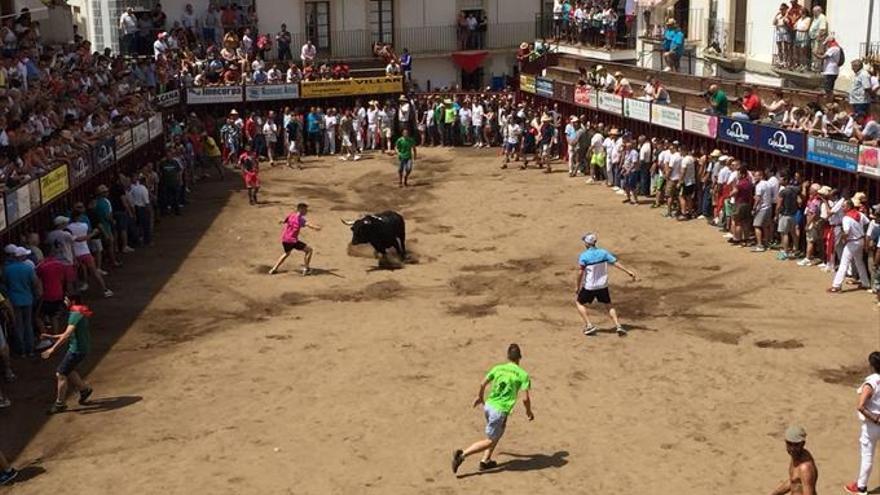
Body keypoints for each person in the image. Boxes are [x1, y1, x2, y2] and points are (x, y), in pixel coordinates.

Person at [451, 343, 533, 474]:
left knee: (498, 432)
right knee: (490, 440)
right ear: (519, 358)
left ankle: (485, 461)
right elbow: (525, 399)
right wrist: (529, 412)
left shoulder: (498, 368)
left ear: (508, 356)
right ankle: (461, 455)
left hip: (489, 406)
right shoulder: (523, 375)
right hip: (499, 411)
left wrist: (479, 397)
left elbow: (483, 383)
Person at [575, 233, 638, 336]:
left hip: (589, 286)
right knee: (608, 305)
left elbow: (580, 272)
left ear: (586, 243)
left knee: (579, 303)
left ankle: (589, 325)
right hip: (602, 285)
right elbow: (615, 263)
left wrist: (577, 286)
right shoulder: (603, 253)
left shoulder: (584, 256)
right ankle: (618, 325)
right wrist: (628, 271)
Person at [41, 295, 93, 414]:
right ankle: (84, 390)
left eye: (66, 299)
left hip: (76, 349)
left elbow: (67, 335)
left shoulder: (75, 314)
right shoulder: (80, 310)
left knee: (61, 374)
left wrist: (52, 349)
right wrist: (52, 336)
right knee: (69, 370)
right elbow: (69, 333)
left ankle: (60, 403)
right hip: (81, 348)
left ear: (72, 301)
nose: (64, 301)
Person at [845, 352, 880, 495]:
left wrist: (875, 418)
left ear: (871, 366)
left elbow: (861, 406)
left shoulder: (871, 383)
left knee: (867, 456)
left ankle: (861, 488)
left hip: (872, 426)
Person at [829, 199, 871, 292]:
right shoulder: (860, 214)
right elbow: (867, 223)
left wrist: (843, 238)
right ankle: (865, 283)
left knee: (844, 263)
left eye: (844, 206)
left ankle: (836, 286)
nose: (842, 208)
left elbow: (846, 232)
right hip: (861, 240)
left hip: (852, 242)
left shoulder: (846, 218)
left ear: (848, 207)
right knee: (859, 262)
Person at [269, 203, 321, 276]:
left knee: (286, 253)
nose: (306, 211)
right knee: (309, 250)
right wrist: (316, 228)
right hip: (292, 240)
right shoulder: (300, 219)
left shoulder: (291, 215)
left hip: (285, 239)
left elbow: (285, 221)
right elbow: (308, 224)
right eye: (305, 210)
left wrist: (281, 221)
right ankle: (306, 269)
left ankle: (274, 269)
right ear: (301, 209)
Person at [770, 425, 818, 495]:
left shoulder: (805, 468)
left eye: (796, 445)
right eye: (789, 444)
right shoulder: (795, 456)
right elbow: (794, 481)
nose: (792, 449)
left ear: (803, 444)